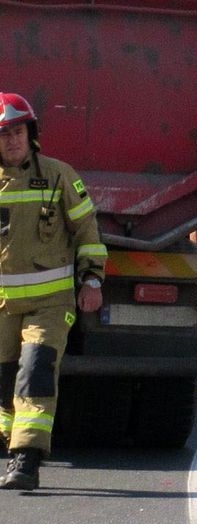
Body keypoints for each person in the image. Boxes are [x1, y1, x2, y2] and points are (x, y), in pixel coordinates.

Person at [0, 92, 107, 491]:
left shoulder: (59, 176)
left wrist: (92, 279)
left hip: (50, 304)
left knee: (35, 372)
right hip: (2, 308)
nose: (12, 140)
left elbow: (87, 231)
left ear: (31, 134)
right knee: (4, 382)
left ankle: (26, 461)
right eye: (4, 134)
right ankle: (10, 442)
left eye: (18, 131)